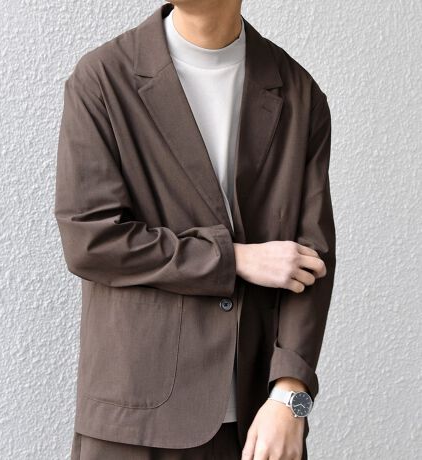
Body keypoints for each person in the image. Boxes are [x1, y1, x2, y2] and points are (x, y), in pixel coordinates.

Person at [54, 1, 336, 459]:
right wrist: (233, 259)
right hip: (136, 420)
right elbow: (90, 239)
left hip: (257, 422)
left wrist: (291, 395)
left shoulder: (300, 94)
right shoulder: (103, 80)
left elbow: (311, 259)